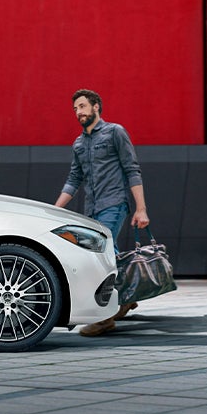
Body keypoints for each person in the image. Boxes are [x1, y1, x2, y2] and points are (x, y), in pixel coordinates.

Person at [54, 89, 149, 337]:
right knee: (110, 254)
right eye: (75, 108)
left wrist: (140, 209)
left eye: (83, 106)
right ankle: (127, 296)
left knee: (100, 258)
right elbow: (74, 178)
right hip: (92, 209)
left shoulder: (115, 132)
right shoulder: (78, 143)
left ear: (96, 107)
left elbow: (132, 169)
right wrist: (54, 210)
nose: (79, 112)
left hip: (114, 204)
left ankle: (105, 317)